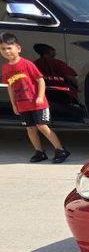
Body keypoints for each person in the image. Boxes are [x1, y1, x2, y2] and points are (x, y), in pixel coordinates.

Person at [1, 32, 70, 163]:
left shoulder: (27, 64)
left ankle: (60, 149)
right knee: (30, 129)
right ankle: (39, 152)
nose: (6, 51)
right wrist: (14, 104)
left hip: (37, 103)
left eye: (9, 48)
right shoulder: (5, 68)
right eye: (3, 49)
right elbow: (10, 86)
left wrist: (40, 96)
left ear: (18, 48)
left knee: (42, 126)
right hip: (22, 104)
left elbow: (40, 80)